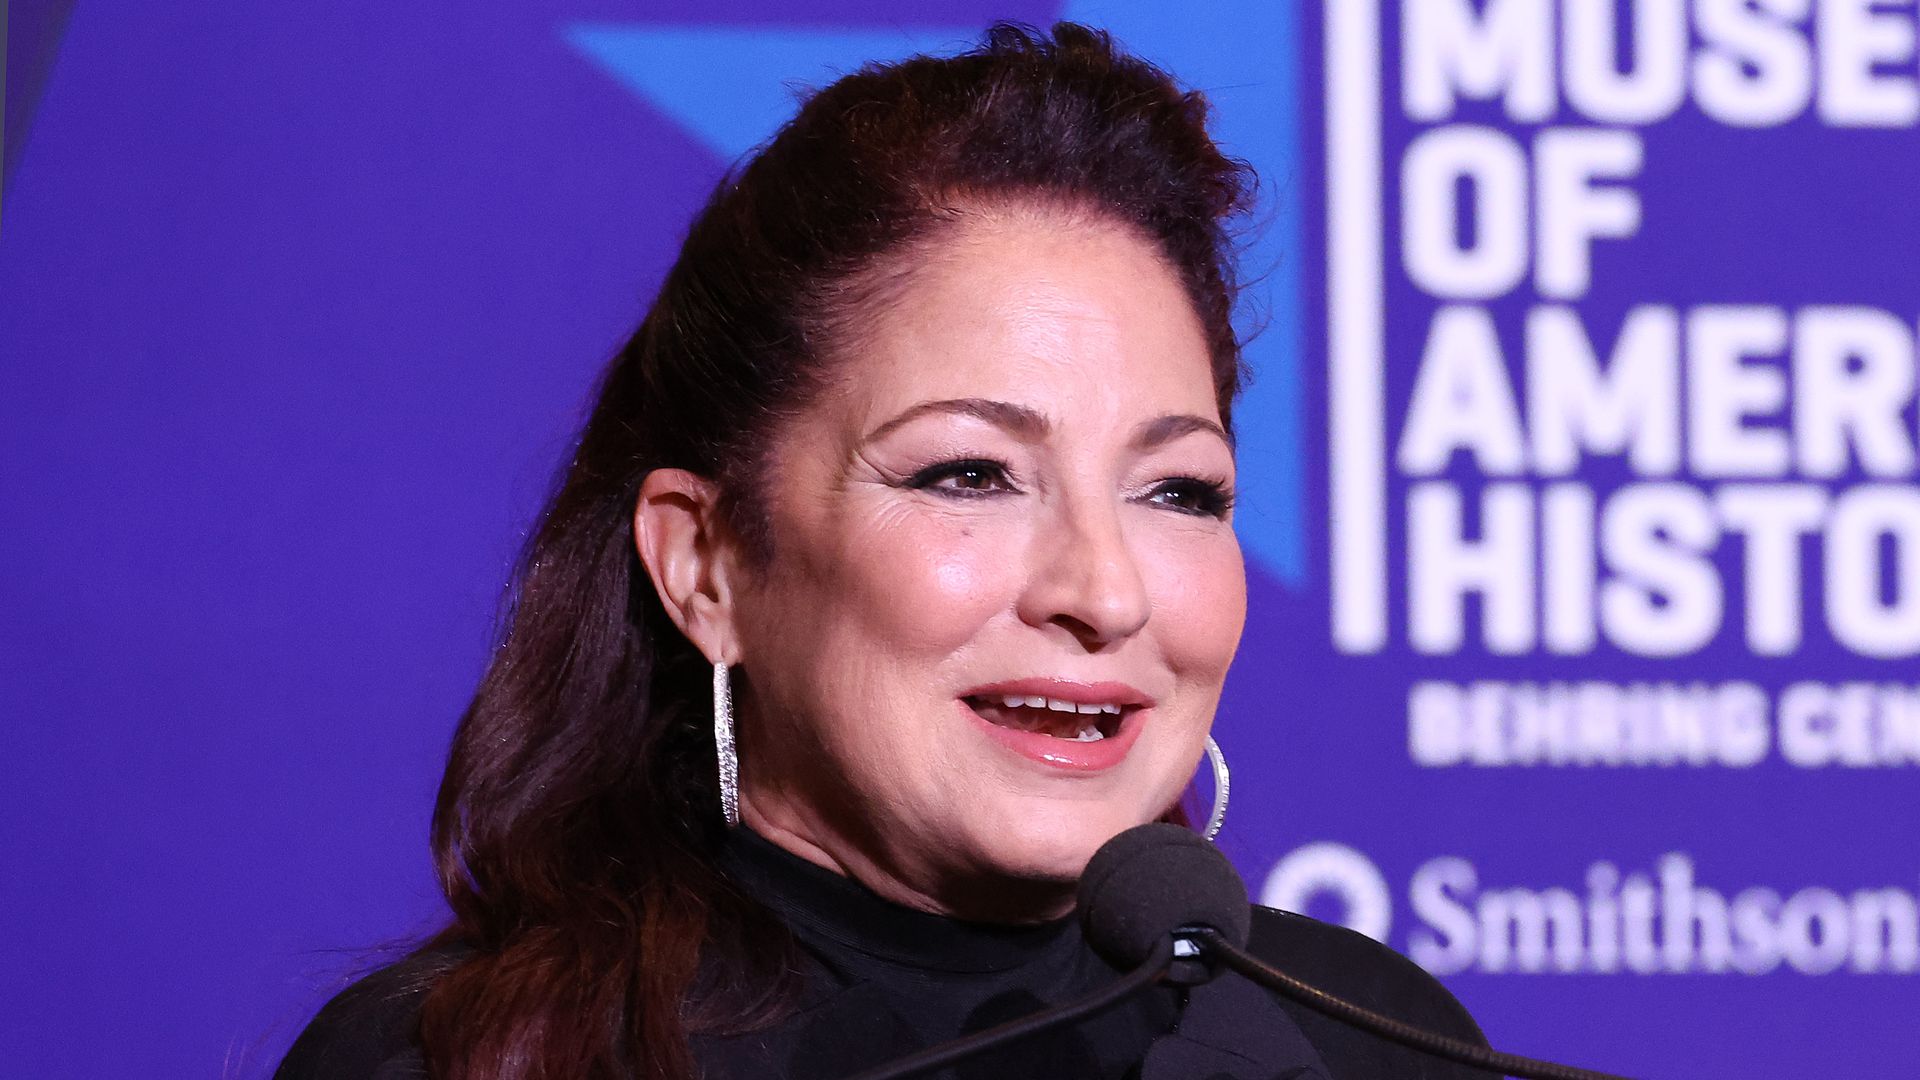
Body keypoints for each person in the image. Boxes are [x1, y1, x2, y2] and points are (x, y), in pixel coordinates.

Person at [277, 22, 1486, 1080]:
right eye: (969, 474)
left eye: (1176, 489)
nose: (1104, 592)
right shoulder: (466, 1063)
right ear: (706, 566)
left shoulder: (1368, 1042)